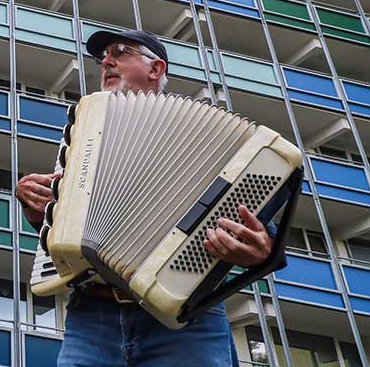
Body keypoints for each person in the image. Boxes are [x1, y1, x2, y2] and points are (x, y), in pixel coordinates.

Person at [16, 28, 278, 367]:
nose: (106, 62)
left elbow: (260, 228)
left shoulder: (201, 130)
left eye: (119, 52)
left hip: (184, 320)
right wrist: (37, 206)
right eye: (102, 57)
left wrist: (262, 248)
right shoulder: (87, 131)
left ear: (156, 68)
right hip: (92, 317)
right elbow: (68, 226)